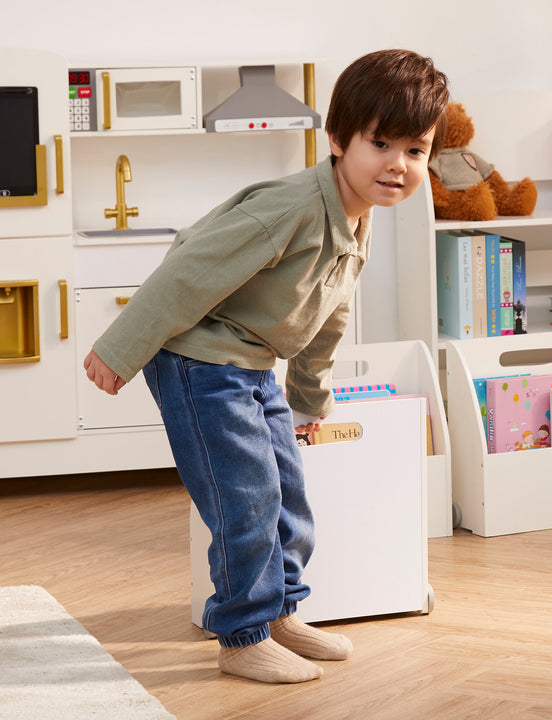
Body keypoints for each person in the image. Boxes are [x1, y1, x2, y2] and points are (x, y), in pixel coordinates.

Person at [83, 48, 449, 684]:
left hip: (251, 365)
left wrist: (309, 399)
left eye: (415, 150)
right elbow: (188, 270)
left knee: (288, 497)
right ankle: (243, 634)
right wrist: (120, 350)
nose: (398, 164)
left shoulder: (357, 221)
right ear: (338, 140)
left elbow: (327, 316)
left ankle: (279, 612)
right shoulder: (291, 208)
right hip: (200, 360)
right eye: (380, 142)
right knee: (245, 498)